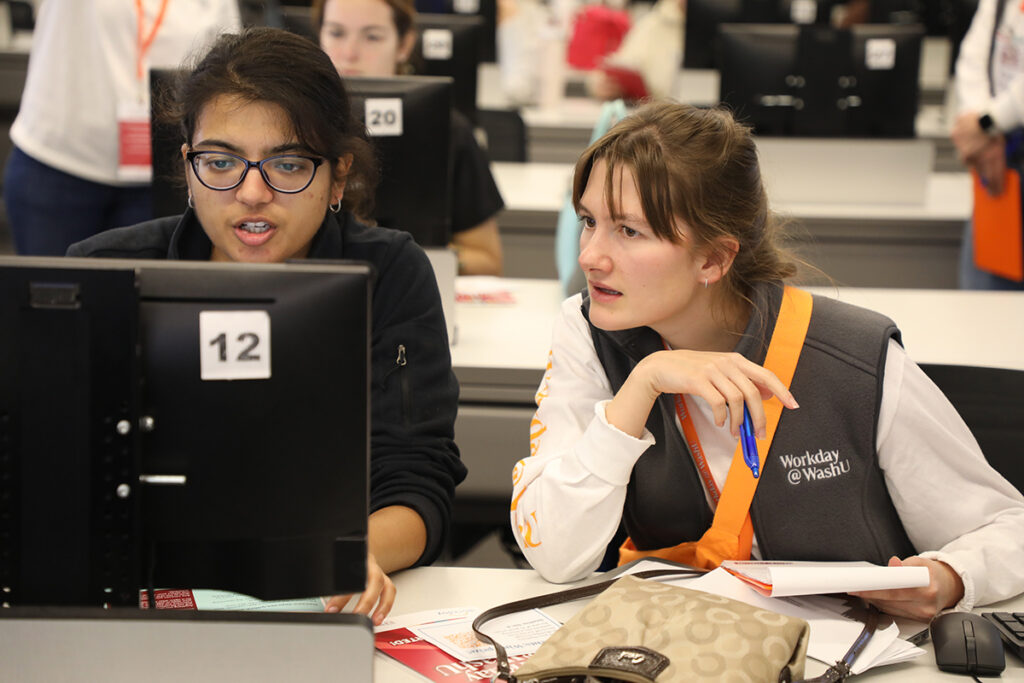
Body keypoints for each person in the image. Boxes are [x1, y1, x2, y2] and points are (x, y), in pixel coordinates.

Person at [509, 102, 1024, 620]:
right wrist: (641, 385)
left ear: (713, 258)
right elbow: (555, 554)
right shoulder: (592, 330)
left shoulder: (853, 355)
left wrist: (954, 576)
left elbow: (1009, 528)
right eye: (589, 221)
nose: (590, 256)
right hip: (680, 650)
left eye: (629, 231)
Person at [66, 26, 466, 624]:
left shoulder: (388, 273)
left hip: (323, 601)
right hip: (139, 599)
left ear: (337, 174)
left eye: (288, 163)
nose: (252, 193)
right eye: (221, 161)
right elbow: (55, 470)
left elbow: (415, 478)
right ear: (187, 165)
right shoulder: (104, 273)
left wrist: (354, 556)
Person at [4, 0, 241, 256]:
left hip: (160, 177)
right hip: (58, 165)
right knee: (52, 291)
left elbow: (226, 68)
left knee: (149, 291)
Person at [312, 0, 505, 276]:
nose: (349, 53)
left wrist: (415, 259)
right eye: (336, 33)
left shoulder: (450, 132)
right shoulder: (292, 129)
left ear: (404, 45)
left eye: (372, 36)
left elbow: (488, 259)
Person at [950, 0, 1024, 290]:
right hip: (998, 159)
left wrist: (988, 123)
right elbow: (973, 59)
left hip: (999, 133)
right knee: (984, 298)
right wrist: (984, 128)